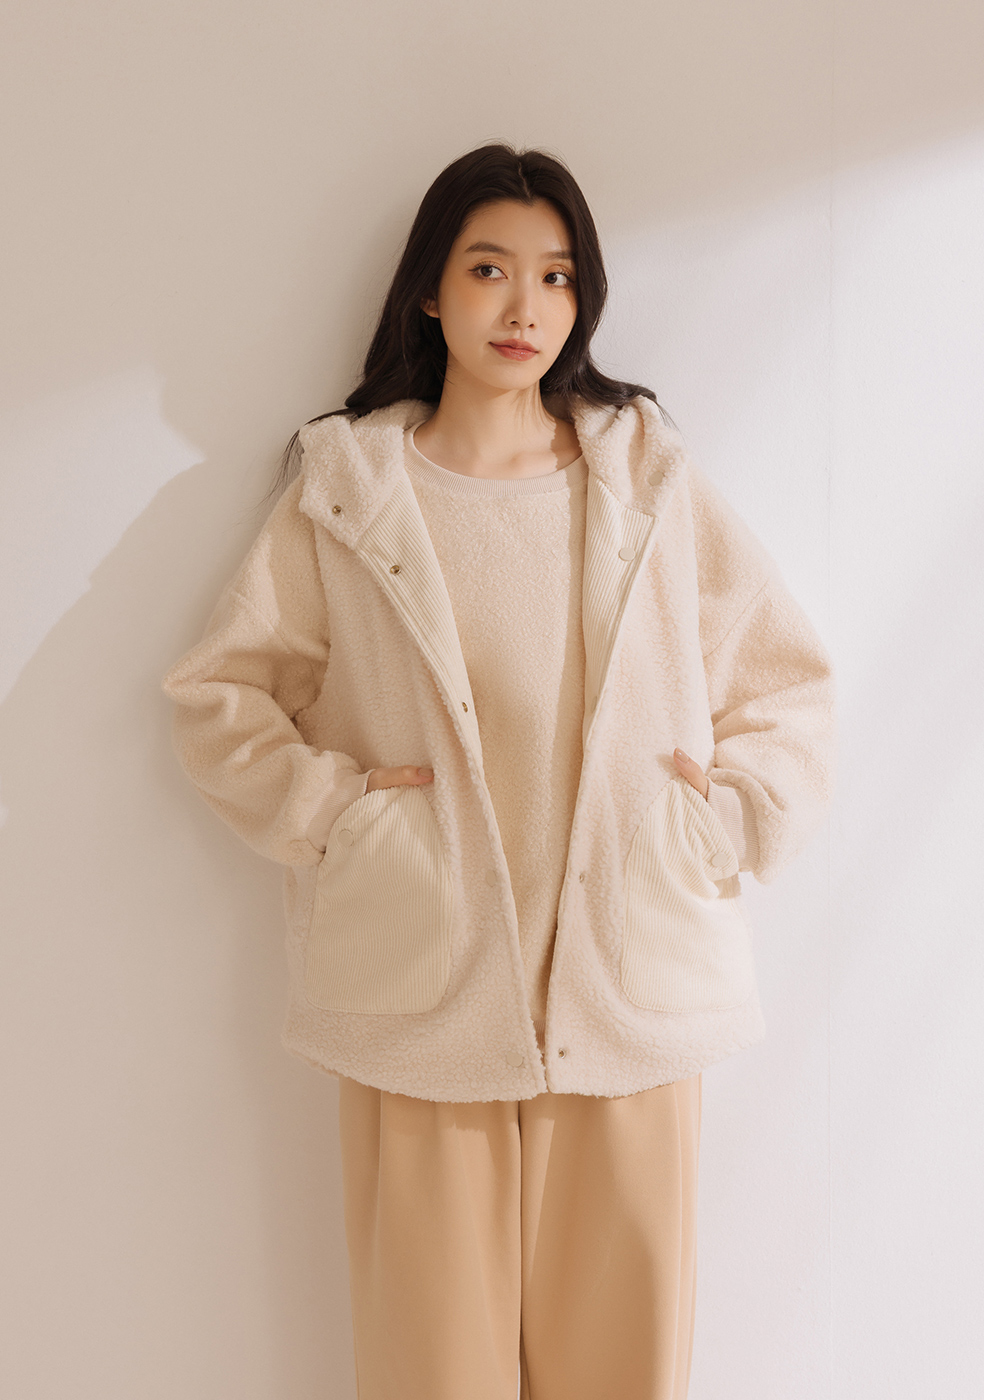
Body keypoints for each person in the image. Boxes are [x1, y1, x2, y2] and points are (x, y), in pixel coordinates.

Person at [162, 143, 837, 1400]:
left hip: (630, 994)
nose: (525, 305)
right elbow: (219, 693)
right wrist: (338, 815)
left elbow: (786, 683)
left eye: (557, 275)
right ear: (431, 289)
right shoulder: (350, 490)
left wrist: (718, 825)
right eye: (489, 270)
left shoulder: (644, 479)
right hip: (424, 995)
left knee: (620, 1374)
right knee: (433, 1374)